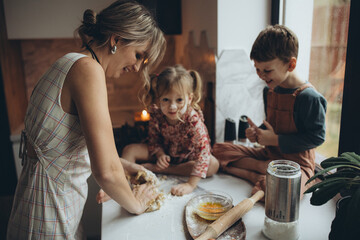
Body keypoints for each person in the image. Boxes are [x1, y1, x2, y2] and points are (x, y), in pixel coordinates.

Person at [7, 1, 166, 239]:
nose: (136, 67)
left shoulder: (68, 62)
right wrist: (138, 204)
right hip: (48, 216)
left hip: (40, 207)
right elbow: (106, 172)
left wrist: (127, 166)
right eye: (138, 55)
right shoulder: (88, 70)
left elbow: (62, 153)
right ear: (116, 40)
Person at [213, 25, 327, 201]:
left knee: (282, 193)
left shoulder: (309, 97)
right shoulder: (270, 90)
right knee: (219, 149)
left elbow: (317, 138)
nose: (261, 75)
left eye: (267, 70)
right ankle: (261, 169)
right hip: (269, 155)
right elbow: (272, 125)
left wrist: (274, 139)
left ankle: (253, 173)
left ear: (291, 64)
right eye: (257, 69)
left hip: (297, 165)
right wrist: (257, 133)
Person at [98, 65, 219, 200]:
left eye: (179, 100)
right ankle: (119, 185)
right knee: (130, 149)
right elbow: (153, 139)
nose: (172, 106)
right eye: (166, 100)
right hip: (165, 151)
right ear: (158, 99)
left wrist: (190, 185)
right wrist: (160, 154)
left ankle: (161, 169)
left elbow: (203, 152)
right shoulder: (157, 113)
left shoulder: (193, 120)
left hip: (187, 157)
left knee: (213, 164)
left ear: (189, 99)